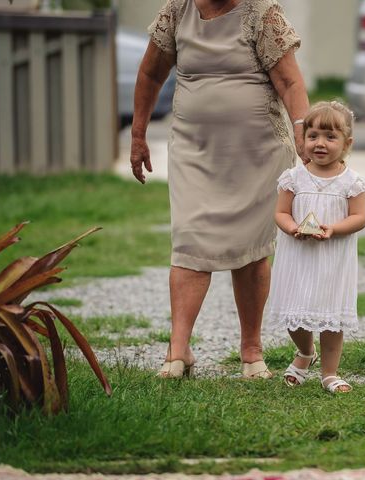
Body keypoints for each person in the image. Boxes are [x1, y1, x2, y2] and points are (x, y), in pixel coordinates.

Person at [130, 0, 309, 379]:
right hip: (195, 149)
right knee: (190, 239)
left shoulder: (261, 12)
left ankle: (251, 352)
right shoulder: (178, 10)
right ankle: (178, 352)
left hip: (258, 152)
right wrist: (138, 134)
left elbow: (290, 81)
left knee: (250, 249)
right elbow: (149, 73)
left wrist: (302, 128)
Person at [268, 101, 365, 394]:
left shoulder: (352, 182)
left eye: (330, 137)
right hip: (298, 256)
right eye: (313, 136)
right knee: (294, 312)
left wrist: (333, 229)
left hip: (333, 258)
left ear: (347, 143)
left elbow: (360, 217)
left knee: (330, 316)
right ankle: (304, 352)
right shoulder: (293, 178)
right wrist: (292, 228)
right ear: (303, 139)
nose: (320, 144)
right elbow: (281, 213)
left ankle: (329, 372)